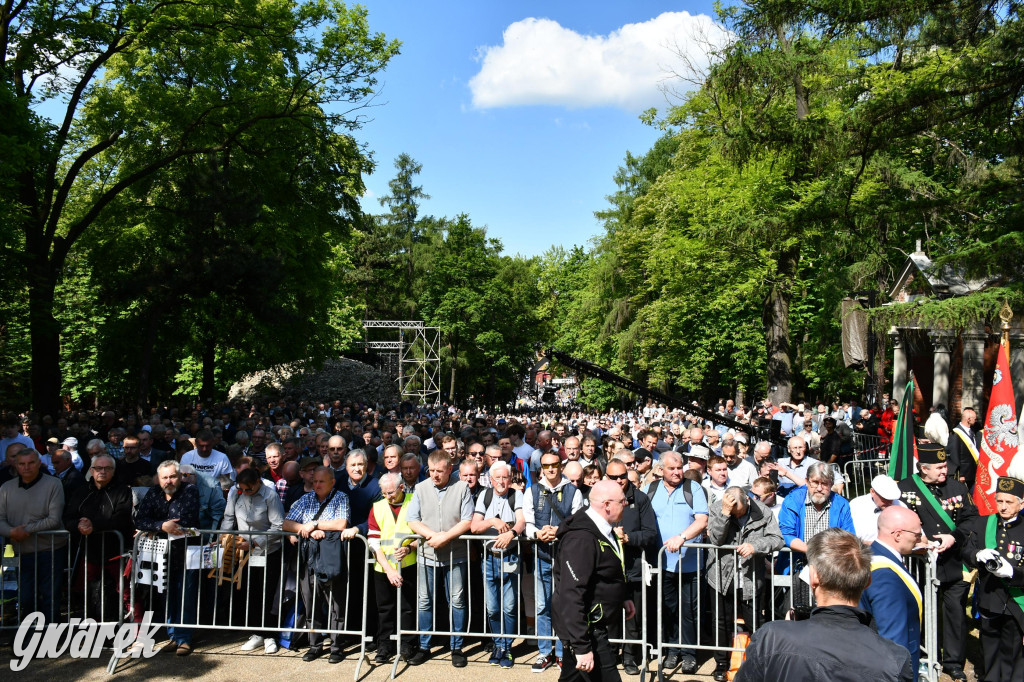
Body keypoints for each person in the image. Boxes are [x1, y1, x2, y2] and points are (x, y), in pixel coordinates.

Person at [735, 528, 912, 681]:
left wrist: (785, 637)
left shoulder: (771, 637)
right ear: (868, 581)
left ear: (813, 577)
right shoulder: (895, 658)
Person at [897, 442, 976, 681]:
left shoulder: (957, 487)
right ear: (923, 468)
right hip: (919, 564)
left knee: (955, 613)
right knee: (920, 611)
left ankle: (953, 663)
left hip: (953, 562)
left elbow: (971, 519)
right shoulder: (905, 487)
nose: (945, 471)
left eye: (945, 465)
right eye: (939, 467)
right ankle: (924, 655)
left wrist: (954, 536)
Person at [553, 481, 636, 682]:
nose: (626, 504)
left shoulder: (603, 529)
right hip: (587, 628)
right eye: (622, 501)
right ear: (607, 505)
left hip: (593, 624)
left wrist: (622, 597)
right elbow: (572, 593)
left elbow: (608, 571)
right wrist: (581, 647)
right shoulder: (581, 539)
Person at [706, 486, 784, 681]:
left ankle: (758, 664)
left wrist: (755, 546)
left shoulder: (762, 511)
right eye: (735, 513)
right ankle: (721, 664)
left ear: (747, 500)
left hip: (751, 577)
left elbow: (777, 539)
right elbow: (716, 539)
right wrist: (725, 514)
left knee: (755, 623)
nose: (738, 516)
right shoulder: (718, 508)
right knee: (721, 622)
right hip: (721, 576)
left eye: (740, 512)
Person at [405, 450, 474, 668]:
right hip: (427, 554)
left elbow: (467, 520)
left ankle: (457, 647)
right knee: (424, 601)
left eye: (439, 471)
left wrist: (445, 537)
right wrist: (432, 536)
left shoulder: (461, 487)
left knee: (457, 601)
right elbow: (412, 520)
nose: (435, 475)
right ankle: (424, 646)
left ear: (450, 469)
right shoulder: (420, 488)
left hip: (456, 555)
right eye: (432, 470)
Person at [646, 451, 708, 674]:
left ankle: (689, 654)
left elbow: (702, 520)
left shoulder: (694, 488)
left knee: (689, 610)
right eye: (671, 468)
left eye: (679, 467)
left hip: (690, 564)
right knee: (668, 609)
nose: (677, 472)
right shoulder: (650, 489)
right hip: (661, 564)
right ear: (660, 470)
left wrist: (682, 537)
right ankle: (672, 650)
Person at [282, 466, 350, 664]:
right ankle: (315, 645)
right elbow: (286, 523)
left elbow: (341, 523)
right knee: (311, 602)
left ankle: (336, 646)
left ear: (332, 482)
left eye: (321, 481)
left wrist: (315, 524)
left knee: (336, 604)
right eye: (315, 482)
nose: (317, 485)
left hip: (331, 559)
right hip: (308, 558)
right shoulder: (305, 499)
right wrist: (306, 528)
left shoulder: (341, 498)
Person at [960, 476, 1024, 682]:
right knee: (990, 649)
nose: (1003, 507)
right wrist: (977, 555)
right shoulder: (983, 523)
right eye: (999, 501)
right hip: (989, 598)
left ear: (1021, 503)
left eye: (1009, 502)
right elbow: (966, 551)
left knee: (1013, 652)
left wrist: (1012, 573)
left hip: (1015, 601)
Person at [524, 451, 584, 671]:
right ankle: (543, 652)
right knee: (542, 606)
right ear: (541, 468)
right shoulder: (532, 491)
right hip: (541, 555)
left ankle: (561, 651)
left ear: (560, 466)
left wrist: (558, 532)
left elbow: (578, 522)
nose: (550, 469)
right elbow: (528, 523)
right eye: (546, 465)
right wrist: (537, 533)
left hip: (565, 557)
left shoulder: (573, 492)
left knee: (563, 605)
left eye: (554, 465)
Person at [134, 459, 201, 655]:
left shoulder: (190, 491)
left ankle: (184, 639)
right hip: (161, 555)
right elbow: (140, 519)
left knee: (185, 596)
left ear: (179, 476)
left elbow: (186, 520)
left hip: (186, 552)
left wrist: (155, 526)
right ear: (158, 478)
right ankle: (173, 636)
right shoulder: (153, 492)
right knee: (167, 596)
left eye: (172, 476)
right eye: (164, 477)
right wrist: (162, 526)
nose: (168, 481)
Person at [63, 454, 135, 622]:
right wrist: (79, 525)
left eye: (107, 468)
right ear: (91, 470)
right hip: (88, 552)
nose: (102, 471)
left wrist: (93, 525)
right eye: (98, 468)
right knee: (86, 592)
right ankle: (91, 627)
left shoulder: (123, 491)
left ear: (114, 471)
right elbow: (68, 518)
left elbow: (121, 518)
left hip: (116, 551)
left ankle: (133, 628)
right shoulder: (81, 492)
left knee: (125, 592)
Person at [221, 467, 285, 655]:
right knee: (251, 592)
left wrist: (256, 542)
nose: (245, 492)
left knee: (267, 592)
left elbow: (278, 525)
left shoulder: (270, 496)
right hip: (244, 552)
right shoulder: (236, 493)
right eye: (242, 489)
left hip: (268, 551)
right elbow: (229, 518)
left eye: (248, 489)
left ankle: (270, 635)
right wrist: (223, 538)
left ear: (258, 482)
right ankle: (257, 632)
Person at [0, 449, 67, 623]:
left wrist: (26, 530)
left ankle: (50, 633)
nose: (26, 467)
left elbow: (54, 519)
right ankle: (29, 632)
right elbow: (0, 519)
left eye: (31, 463)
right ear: (16, 465)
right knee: (25, 597)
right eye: (22, 464)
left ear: (39, 463)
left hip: (50, 550)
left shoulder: (54, 484)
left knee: (50, 595)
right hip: (19, 551)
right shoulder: (6, 488)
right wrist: (12, 532)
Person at [604, 458, 656, 677]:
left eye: (622, 476)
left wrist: (628, 538)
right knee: (609, 616)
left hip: (634, 569)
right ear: (606, 477)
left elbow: (651, 533)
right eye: (614, 477)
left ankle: (629, 657)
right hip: (608, 569)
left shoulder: (640, 498)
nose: (619, 480)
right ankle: (609, 655)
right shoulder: (600, 497)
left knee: (633, 618)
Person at [470, 461, 525, 668]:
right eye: (497, 478)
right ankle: (498, 645)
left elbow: (521, 521)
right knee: (492, 608)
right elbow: (475, 527)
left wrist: (511, 533)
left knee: (509, 607)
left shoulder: (516, 495)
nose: (501, 482)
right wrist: (493, 521)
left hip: (510, 557)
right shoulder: (484, 495)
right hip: (489, 558)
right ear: (491, 480)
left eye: (505, 477)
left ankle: (507, 648)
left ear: (510, 479)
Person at [778, 461, 855, 606]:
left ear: (831, 484)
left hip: (831, 568)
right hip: (798, 566)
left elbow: (848, 537)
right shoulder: (793, 500)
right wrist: (813, 550)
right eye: (815, 482)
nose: (819, 488)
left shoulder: (841, 504)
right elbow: (787, 535)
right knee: (796, 611)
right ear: (807, 481)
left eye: (824, 484)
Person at [859, 505, 925, 673]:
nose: (919, 540)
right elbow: (892, 639)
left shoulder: (876, 556)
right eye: (917, 535)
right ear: (898, 535)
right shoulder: (884, 574)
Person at [367, 473, 419, 664]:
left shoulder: (414, 501)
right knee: (385, 609)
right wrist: (389, 569)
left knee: (407, 607)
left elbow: (422, 534)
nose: (388, 497)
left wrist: (409, 548)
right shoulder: (377, 507)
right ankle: (384, 645)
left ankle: (407, 644)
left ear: (401, 488)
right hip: (383, 568)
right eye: (384, 493)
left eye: (391, 493)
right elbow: (373, 543)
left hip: (409, 565)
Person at [849, 474, 904, 543]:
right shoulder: (857, 505)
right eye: (884, 498)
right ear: (872, 492)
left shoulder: (900, 506)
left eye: (891, 499)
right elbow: (850, 535)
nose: (888, 502)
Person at [945, 408, 980, 490]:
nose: (976, 421)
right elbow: (954, 455)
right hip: (964, 475)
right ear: (968, 419)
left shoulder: (971, 432)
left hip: (972, 474)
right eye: (975, 419)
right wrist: (960, 474)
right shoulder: (955, 433)